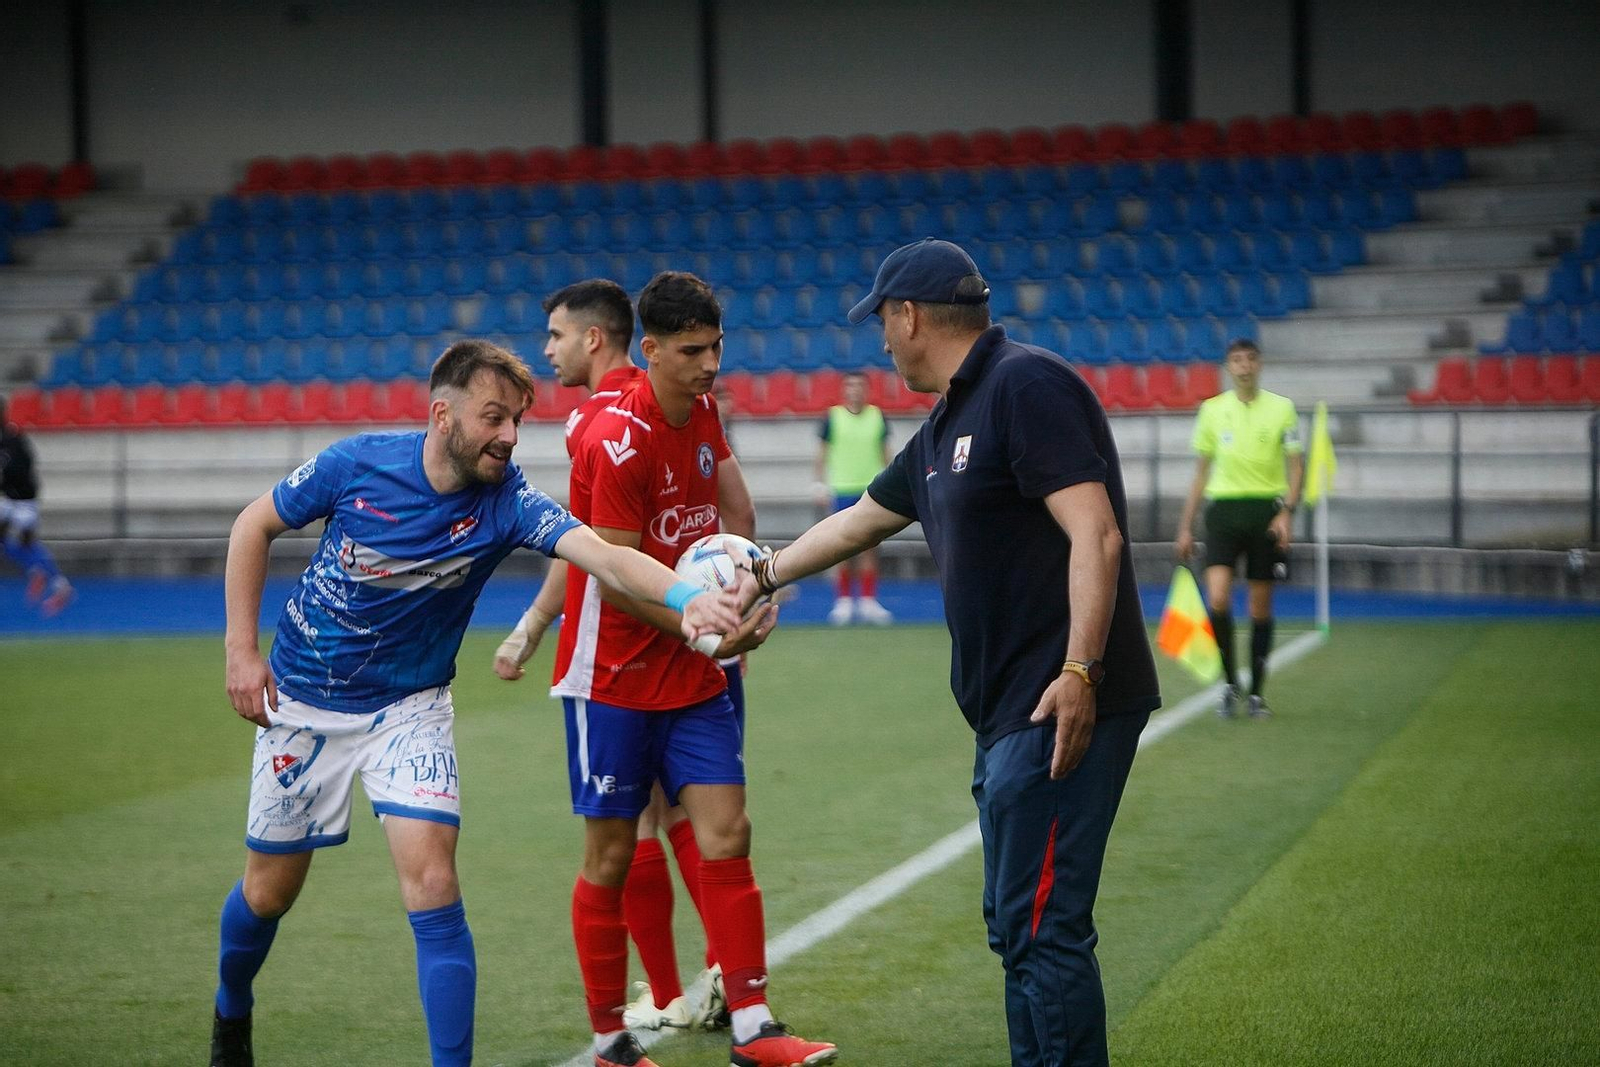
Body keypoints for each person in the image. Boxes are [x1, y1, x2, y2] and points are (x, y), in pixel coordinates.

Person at [210, 339, 745, 1067]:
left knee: (433, 878)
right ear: (442, 416)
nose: (510, 436)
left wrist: (691, 597)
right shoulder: (354, 464)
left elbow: (609, 557)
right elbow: (253, 526)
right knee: (268, 892)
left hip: (411, 706)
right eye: (494, 418)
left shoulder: (509, 500)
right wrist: (242, 652)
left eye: (518, 420)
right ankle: (231, 1007)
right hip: (304, 702)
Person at [748, 239, 1161, 1067]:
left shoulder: (1023, 385)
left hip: (1057, 703)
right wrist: (761, 575)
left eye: (883, 322)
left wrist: (1081, 671)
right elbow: (860, 519)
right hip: (1006, 711)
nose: (882, 342)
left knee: (1043, 926)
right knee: (1016, 923)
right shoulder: (945, 423)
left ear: (910, 315)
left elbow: (1098, 534)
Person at [551, 271, 835, 1067]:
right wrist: (699, 626)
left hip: (693, 666)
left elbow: (724, 519)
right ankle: (611, 1040)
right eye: (692, 350)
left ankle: (753, 1025)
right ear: (650, 351)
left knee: (727, 829)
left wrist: (737, 603)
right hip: (613, 676)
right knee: (610, 853)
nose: (711, 364)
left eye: (716, 346)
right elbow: (614, 570)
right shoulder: (620, 440)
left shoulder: (704, 411)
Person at [492, 279, 752, 1034]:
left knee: (650, 819)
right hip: (702, 624)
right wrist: (744, 590)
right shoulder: (658, 406)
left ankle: (680, 989)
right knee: (686, 815)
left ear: (596, 339)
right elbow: (604, 541)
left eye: (557, 336)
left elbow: (599, 553)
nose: (548, 351)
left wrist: (541, 623)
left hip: (645, 640)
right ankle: (709, 982)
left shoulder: (607, 421)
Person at [1174, 338, 1304, 719]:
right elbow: (1200, 473)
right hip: (1223, 514)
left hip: (1265, 511)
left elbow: (1297, 466)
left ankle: (1257, 694)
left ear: (1259, 365)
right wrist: (1186, 526)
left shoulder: (1283, 409)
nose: (1244, 366)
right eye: (1236, 360)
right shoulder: (1212, 411)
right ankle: (1230, 683)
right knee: (1216, 598)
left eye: (1250, 359)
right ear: (1228, 367)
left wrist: (1287, 512)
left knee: (1259, 604)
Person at [812, 370, 892, 625]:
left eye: (859, 386)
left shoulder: (877, 417)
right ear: (844, 390)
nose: (854, 391)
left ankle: (868, 600)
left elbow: (885, 454)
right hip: (842, 488)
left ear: (866, 389)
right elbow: (822, 454)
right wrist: (819, 484)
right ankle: (844, 601)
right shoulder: (832, 418)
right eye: (850, 386)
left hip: (871, 489)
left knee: (871, 547)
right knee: (843, 548)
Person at [0, 394, 74, 616]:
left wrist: (7, 480)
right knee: (10, 542)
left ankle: (60, 585)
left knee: (25, 543)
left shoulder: (13, 439)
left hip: (23, 500)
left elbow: (23, 469)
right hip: (10, 499)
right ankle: (38, 572)